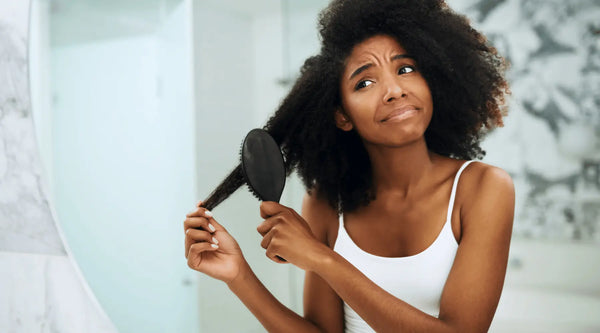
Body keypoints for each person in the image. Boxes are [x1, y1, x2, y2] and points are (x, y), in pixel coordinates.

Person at [184, 0, 514, 331]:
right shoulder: (326, 202)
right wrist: (238, 275)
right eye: (365, 83)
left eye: (405, 69)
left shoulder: (483, 188)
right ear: (342, 116)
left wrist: (321, 258)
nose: (394, 91)